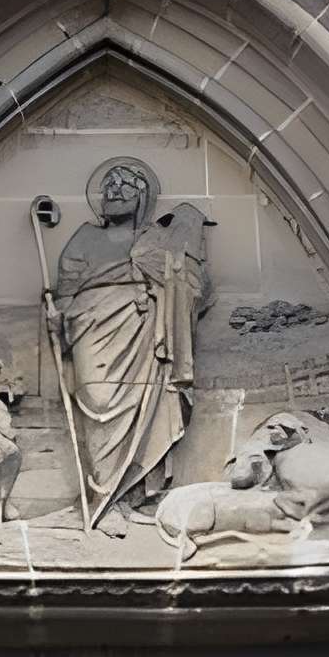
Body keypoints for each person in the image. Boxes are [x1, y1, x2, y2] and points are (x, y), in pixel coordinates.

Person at [53, 160, 214, 525]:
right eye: (109, 184)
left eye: (125, 185)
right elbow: (65, 292)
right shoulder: (84, 238)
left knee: (152, 407)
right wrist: (57, 315)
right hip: (92, 328)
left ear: (142, 196)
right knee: (99, 403)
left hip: (145, 332)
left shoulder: (157, 240)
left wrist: (176, 280)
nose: (114, 190)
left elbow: (197, 287)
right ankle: (102, 496)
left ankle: (133, 495)